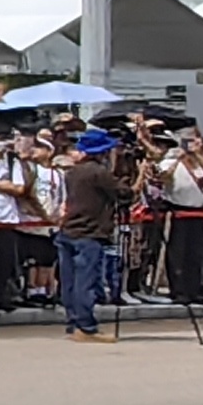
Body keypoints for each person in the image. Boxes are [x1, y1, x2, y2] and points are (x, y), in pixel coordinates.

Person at [55, 127, 130, 343]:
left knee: (69, 281)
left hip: (69, 229)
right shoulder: (98, 172)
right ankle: (86, 326)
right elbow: (123, 194)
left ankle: (73, 323)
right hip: (89, 232)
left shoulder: (73, 172)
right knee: (85, 281)